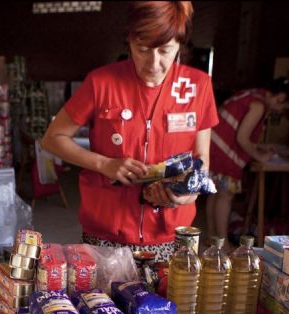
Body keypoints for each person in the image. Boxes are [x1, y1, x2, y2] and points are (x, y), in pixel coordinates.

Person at [41, 1, 219, 261]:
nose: (154, 63)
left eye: (165, 51)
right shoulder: (101, 82)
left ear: (180, 44)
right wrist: (105, 164)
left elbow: (201, 158)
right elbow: (52, 139)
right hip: (106, 233)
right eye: (143, 49)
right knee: (103, 302)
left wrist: (186, 193)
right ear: (129, 42)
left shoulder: (198, 86)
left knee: (168, 300)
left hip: (173, 235)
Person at [205, 78, 289, 246]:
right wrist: (260, 156)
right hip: (224, 152)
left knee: (215, 193)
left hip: (213, 145)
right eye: (280, 103)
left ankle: (213, 238)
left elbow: (239, 131)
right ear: (274, 96)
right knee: (225, 196)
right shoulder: (258, 106)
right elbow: (242, 138)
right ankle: (223, 243)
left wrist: (260, 147)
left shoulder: (253, 94)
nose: (280, 108)